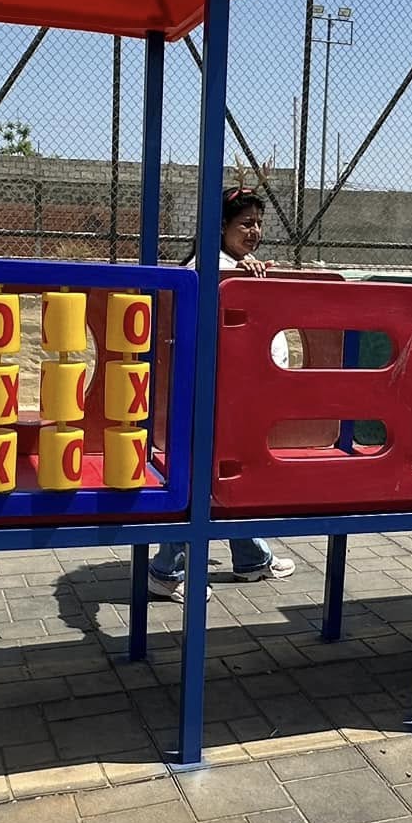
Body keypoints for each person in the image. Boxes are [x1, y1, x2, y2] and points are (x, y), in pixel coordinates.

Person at [147, 187, 298, 603]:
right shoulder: (210, 268)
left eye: (259, 223)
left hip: (237, 395)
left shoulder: (233, 267)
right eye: (245, 223)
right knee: (204, 479)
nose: (255, 231)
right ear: (221, 228)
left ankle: (250, 557)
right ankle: (166, 570)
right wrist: (239, 278)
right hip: (215, 397)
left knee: (232, 474)